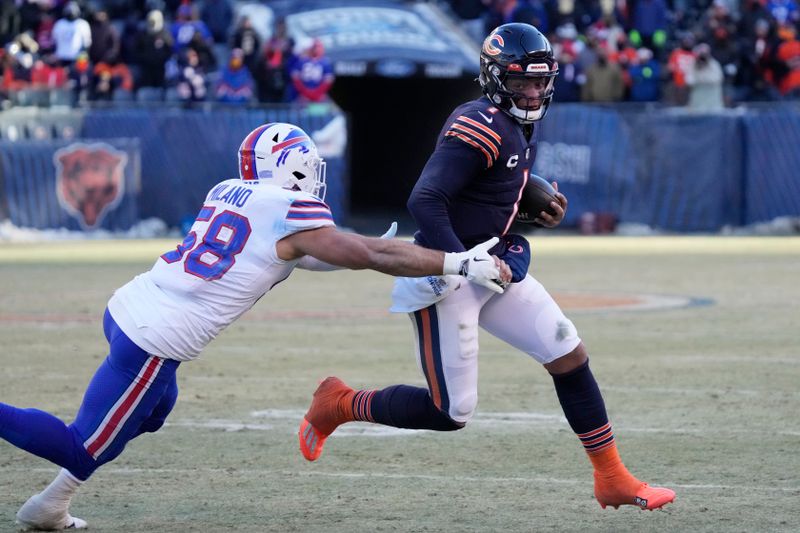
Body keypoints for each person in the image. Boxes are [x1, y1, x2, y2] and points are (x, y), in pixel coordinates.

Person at [0, 123, 508, 531]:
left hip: (130, 308)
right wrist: (456, 263)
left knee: (152, 413)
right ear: (289, 169)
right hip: (152, 340)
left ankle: (49, 504)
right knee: (84, 444)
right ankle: (48, 497)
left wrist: (376, 248)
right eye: (309, 167)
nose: (316, 177)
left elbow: (294, 254)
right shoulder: (289, 208)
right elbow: (366, 255)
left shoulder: (231, 191)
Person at [298, 23, 676, 512]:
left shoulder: (517, 123)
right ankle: (339, 403)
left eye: (540, 81)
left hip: (490, 262)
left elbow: (484, 193)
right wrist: (461, 259)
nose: (533, 90)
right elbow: (426, 199)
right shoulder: (477, 121)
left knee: (568, 353)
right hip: (446, 271)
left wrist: (526, 209)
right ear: (495, 77)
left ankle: (613, 477)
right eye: (521, 81)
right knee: (451, 411)